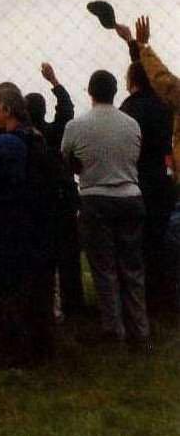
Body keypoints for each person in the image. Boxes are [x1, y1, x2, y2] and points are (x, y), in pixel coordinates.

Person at [60, 67, 147, 347]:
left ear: (89, 92)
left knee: (105, 268)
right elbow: (136, 157)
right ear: (114, 91)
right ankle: (140, 329)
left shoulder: (76, 126)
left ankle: (113, 329)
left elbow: (67, 159)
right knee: (132, 268)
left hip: (95, 196)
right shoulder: (131, 124)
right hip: (131, 195)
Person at [0, 82, 54, 368]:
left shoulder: (4, 144)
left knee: (4, 295)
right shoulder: (37, 139)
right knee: (32, 293)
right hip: (35, 227)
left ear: (6, 110)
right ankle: (39, 350)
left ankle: (10, 355)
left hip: (6, 228)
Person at [118, 16, 180, 324]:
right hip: (162, 180)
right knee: (160, 242)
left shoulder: (127, 111)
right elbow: (158, 83)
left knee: (139, 246)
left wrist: (137, 45)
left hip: (136, 179)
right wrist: (135, 46)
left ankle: (142, 302)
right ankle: (166, 297)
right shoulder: (163, 106)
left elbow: (160, 81)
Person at [32, 65, 85, 318]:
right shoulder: (55, 133)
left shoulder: (26, 140)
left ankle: (47, 308)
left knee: (43, 259)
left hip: (39, 205)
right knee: (69, 256)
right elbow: (66, 109)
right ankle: (74, 304)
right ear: (44, 110)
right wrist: (54, 81)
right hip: (64, 198)